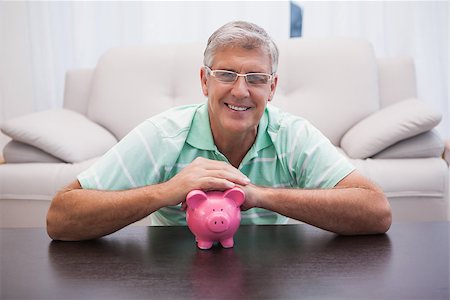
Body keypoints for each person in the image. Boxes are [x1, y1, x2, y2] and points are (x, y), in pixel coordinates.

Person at [47, 21, 392, 241]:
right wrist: (168, 191)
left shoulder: (293, 135)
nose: (240, 92)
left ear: (272, 88)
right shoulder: (164, 135)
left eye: (256, 79)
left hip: (272, 276)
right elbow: (61, 217)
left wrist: (258, 195)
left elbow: (376, 211)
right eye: (226, 74)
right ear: (204, 80)